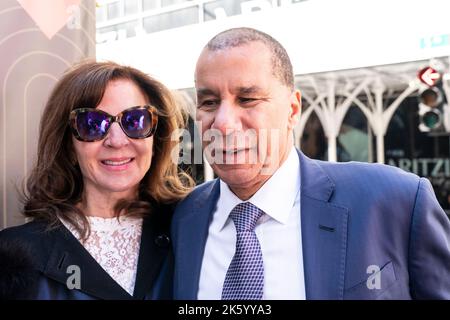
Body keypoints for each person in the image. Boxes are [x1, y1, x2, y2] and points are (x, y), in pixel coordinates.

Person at [171, 27, 450, 299]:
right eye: (208, 102)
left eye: (247, 99)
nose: (223, 123)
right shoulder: (181, 220)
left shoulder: (396, 200)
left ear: (293, 110)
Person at [0, 61, 194, 299]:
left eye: (135, 120)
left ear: (156, 138)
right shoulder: (12, 255)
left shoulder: (190, 230)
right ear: (68, 145)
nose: (117, 140)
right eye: (92, 124)